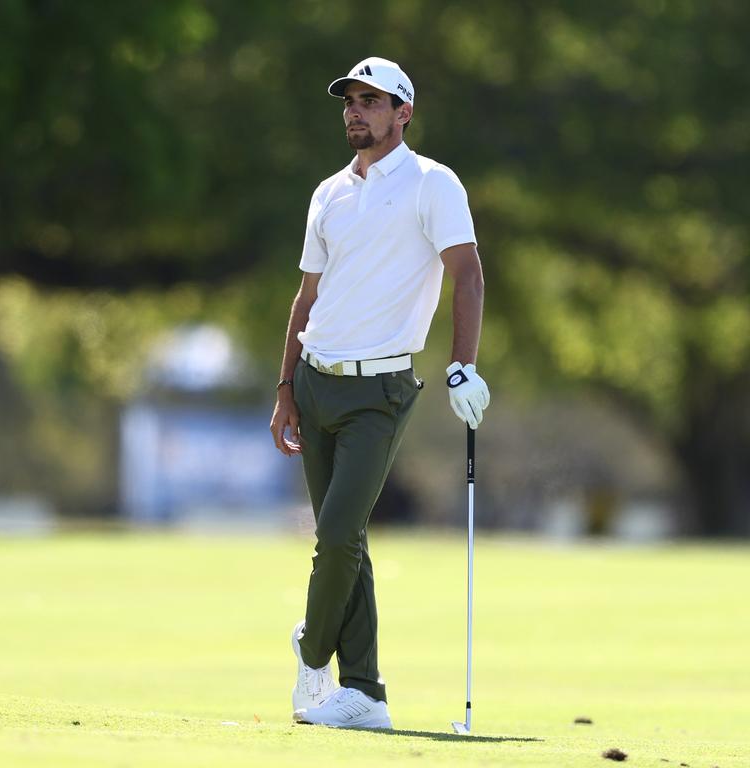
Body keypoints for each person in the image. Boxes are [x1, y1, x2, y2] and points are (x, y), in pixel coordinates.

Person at [269, 56, 491, 729]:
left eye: (373, 100)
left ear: (403, 113)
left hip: (380, 390)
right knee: (349, 538)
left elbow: (469, 275)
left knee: (336, 532)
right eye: (351, 101)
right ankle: (363, 693)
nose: (356, 111)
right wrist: (285, 387)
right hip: (316, 383)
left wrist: (462, 366)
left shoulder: (433, 184)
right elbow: (306, 298)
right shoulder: (328, 193)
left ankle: (312, 652)